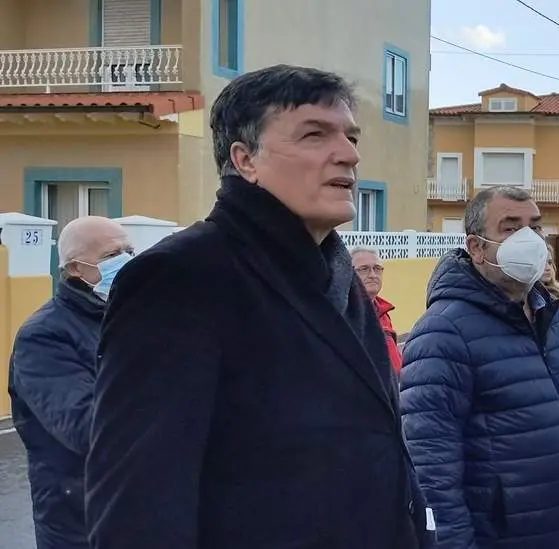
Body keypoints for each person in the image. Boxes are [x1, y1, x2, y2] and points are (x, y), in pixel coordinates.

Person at [85, 65, 435, 549]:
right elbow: (139, 496)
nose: (350, 154)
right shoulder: (181, 276)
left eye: (351, 137)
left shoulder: (338, 275)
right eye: (315, 135)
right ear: (245, 158)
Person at [400, 186, 559, 549]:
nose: (530, 238)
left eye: (535, 227)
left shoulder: (553, 317)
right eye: (510, 227)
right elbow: (432, 468)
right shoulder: (443, 331)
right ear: (476, 248)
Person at [8, 216, 132, 549]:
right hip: (78, 517)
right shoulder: (45, 336)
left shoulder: (128, 319)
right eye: (111, 255)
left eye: (129, 251)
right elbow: (83, 426)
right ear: (75, 268)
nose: (126, 261)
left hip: (134, 505)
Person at [351, 245, 402, 373]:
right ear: (348, 273)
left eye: (377, 268)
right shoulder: (346, 313)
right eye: (364, 269)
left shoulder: (383, 312)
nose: (373, 275)